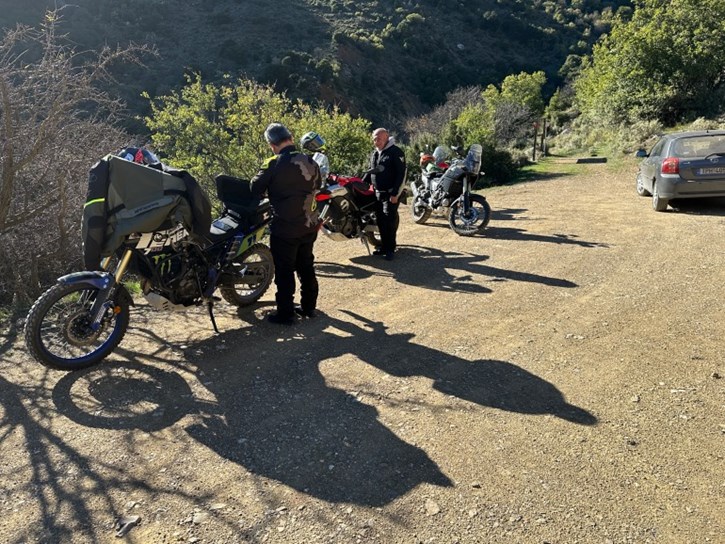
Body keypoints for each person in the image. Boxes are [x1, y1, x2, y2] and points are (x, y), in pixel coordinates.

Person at [251, 123, 322, 325]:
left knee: (284, 271)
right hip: (309, 224)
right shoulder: (310, 160)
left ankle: (286, 313)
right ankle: (309, 307)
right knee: (306, 265)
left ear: (272, 145)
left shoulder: (273, 163)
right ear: (290, 138)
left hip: (285, 228)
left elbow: (254, 187)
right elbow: (318, 185)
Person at [365, 127, 406, 261]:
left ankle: (390, 249)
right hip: (378, 193)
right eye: (374, 139)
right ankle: (383, 246)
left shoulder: (396, 152)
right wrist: (359, 182)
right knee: (381, 222)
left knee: (389, 222)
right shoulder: (376, 153)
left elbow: (401, 174)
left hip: (390, 194)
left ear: (386, 138)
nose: (376, 142)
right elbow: (372, 171)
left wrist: (395, 194)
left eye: (379, 139)